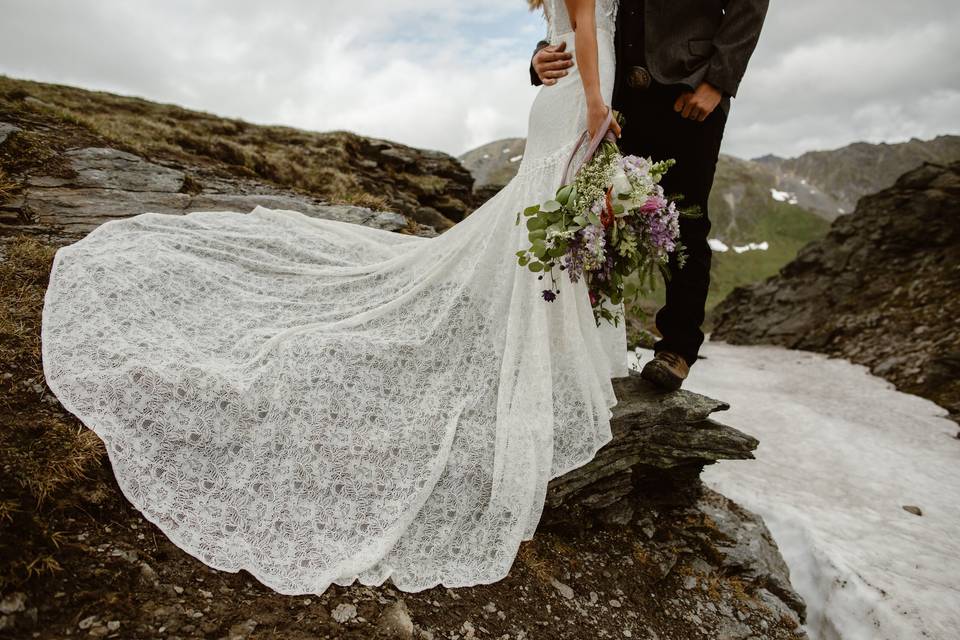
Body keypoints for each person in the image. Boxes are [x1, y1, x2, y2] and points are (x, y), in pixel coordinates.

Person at [42, 0, 629, 595]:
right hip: (582, 99)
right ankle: (535, 338)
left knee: (556, 218)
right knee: (552, 215)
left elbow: (576, 29)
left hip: (580, 93)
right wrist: (597, 108)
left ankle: (544, 334)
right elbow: (583, 26)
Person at [532, 0, 769, 391]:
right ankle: (588, 343)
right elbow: (583, 13)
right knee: (595, 218)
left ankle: (677, 348)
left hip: (690, 91)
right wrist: (540, 54)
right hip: (616, 96)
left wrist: (718, 82)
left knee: (686, 222)